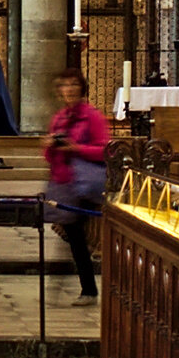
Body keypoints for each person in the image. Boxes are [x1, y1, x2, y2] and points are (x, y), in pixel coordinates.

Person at [42, 67, 111, 303]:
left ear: (82, 88)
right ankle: (79, 287)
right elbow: (50, 157)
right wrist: (51, 145)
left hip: (82, 183)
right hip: (63, 182)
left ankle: (84, 289)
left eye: (73, 84)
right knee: (72, 236)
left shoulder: (92, 116)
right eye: (64, 85)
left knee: (74, 236)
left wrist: (76, 148)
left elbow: (105, 151)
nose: (69, 89)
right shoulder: (59, 118)